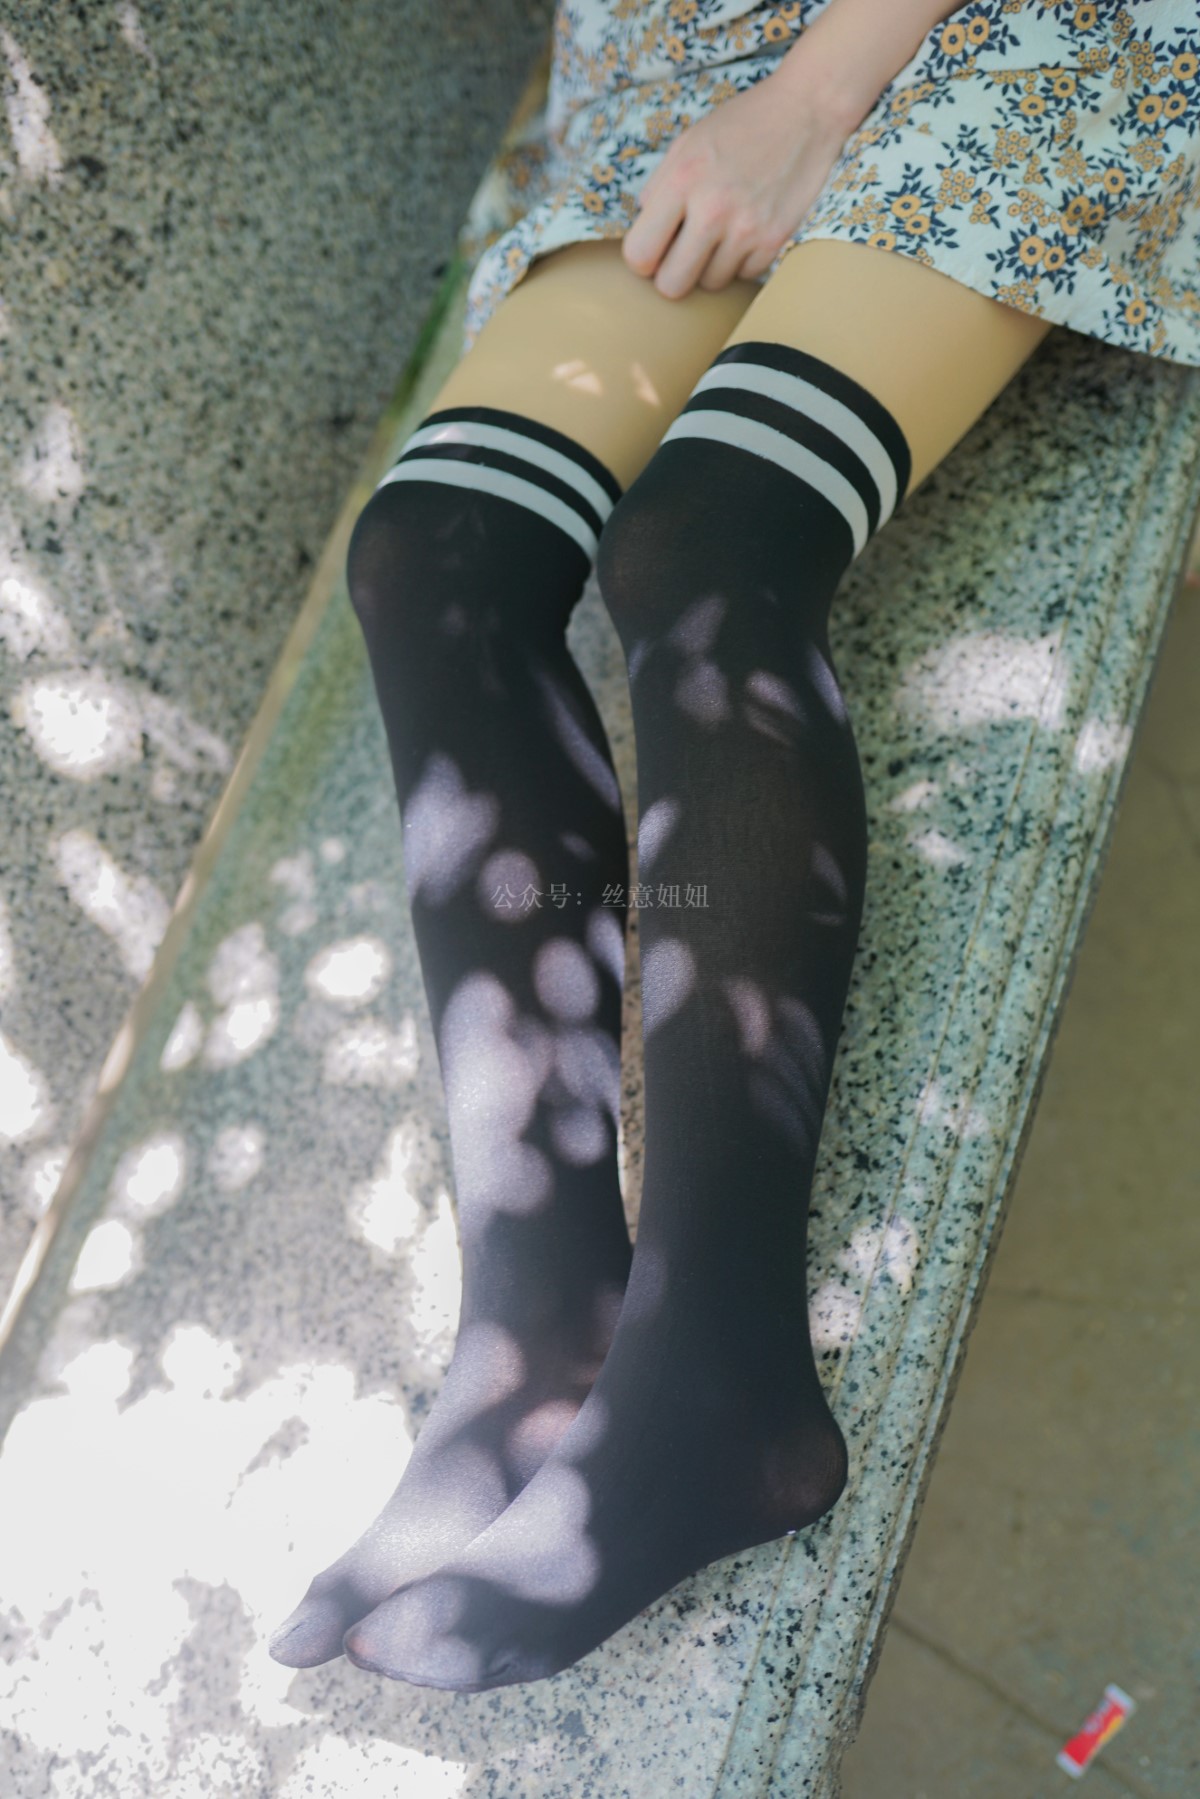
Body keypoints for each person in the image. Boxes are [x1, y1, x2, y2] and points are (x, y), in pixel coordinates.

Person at [270, 0, 1200, 1691]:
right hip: (679, 45)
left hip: (993, 30)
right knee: (436, 551)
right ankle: (536, 1330)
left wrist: (817, 94)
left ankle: (720, 1367)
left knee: (706, 543)